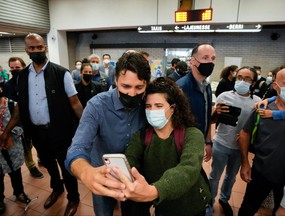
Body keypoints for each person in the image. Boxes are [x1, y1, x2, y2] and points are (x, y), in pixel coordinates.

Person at [2, 33, 83, 216]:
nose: (37, 51)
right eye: (32, 48)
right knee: (48, 164)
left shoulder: (61, 73)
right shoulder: (21, 77)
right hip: (37, 133)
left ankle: (73, 197)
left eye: (40, 47)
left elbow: (75, 103)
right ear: (26, 50)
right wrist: (7, 131)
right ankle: (57, 188)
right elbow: (20, 107)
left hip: (60, 132)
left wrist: (88, 129)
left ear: (45, 48)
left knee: (66, 166)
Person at [65, 51, 151, 216]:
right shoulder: (97, 105)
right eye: (126, 86)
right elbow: (77, 148)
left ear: (146, 84)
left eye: (139, 87)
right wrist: (86, 172)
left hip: (136, 174)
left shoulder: (149, 104)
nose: (132, 94)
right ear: (116, 80)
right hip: (103, 173)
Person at [114, 77, 211, 216]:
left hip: (193, 206)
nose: (152, 110)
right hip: (163, 206)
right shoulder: (142, 137)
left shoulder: (192, 134)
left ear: (173, 108)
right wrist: (120, 175)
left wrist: (155, 191)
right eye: (148, 106)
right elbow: (131, 160)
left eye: (158, 106)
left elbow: (188, 169)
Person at [209, 66, 261, 216]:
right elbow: (211, 121)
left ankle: (224, 200)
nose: (241, 81)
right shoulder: (224, 96)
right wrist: (216, 113)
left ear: (253, 83)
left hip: (239, 149)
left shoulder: (257, 102)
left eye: (246, 79)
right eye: (239, 77)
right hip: (221, 143)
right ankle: (210, 201)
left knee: (231, 177)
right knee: (214, 175)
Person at [238, 64, 285, 216]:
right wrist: (245, 162)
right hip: (261, 172)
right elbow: (245, 134)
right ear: (276, 85)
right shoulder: (262, 109)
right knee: (248, 208)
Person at [3, 57, 43, 179]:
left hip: (35, 117)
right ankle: (31, 166)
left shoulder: (31, 81)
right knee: (26, 146)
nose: (15, 70)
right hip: (20, 121)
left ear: (24, 67)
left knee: (40, 141)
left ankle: (43, 159)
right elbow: (10, 107)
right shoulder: (8, 86)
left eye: (18, 68)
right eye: (12, 68)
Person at [176, 42, 216, 162]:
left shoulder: (207, 87)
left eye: (212, 58)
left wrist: (208, 141)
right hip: (183, 145)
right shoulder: (181, 87)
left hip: (199, 142)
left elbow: (207, 115)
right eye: (205, 58)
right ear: (193, 61)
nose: (209, 62)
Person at [0, 81, 30, 214]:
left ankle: (19, 192)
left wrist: (10, 133)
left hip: (12, 146)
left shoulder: (12, 105)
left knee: (15, 172)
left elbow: (22, 124)